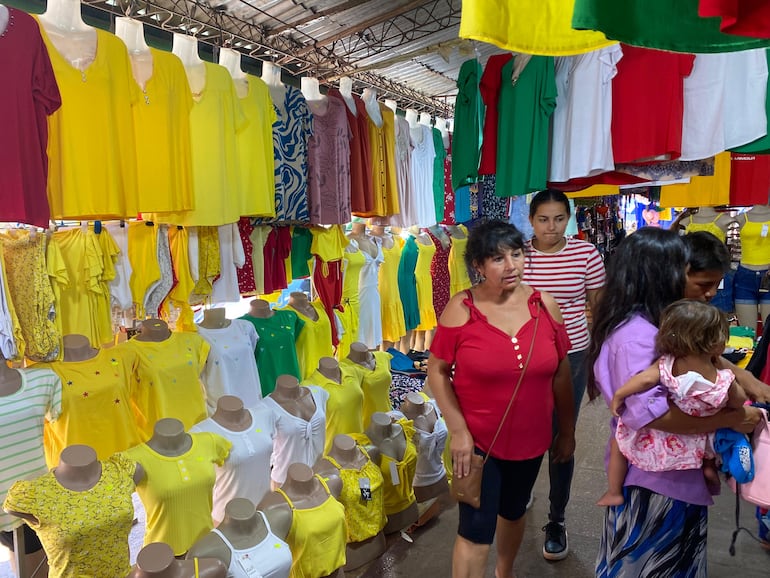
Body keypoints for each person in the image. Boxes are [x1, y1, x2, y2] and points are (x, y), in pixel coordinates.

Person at [588, 227, 764, 577]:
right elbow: (652, 416)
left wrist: (745, 381)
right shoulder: (636, 337)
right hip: (653, 478)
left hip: (675, 473)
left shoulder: (661, 325)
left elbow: (705, 359)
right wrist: (729, 420)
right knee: (648, 564)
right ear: (658, 274)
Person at [427, 220, 576, 578]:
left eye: (516, 254)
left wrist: (567, 431)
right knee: (476, 527)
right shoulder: (462, 308)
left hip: (531, 438)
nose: (511, 265)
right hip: (478, 441)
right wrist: (458, 431)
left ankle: (504, 572)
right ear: (478, 266)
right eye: (497, 258)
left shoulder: (545, 306)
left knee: (514, 510)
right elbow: (437, 371)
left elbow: (562, 373)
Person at [597, 299, 747, 507]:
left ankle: (614, 491)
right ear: (717, 345)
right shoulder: (723, 377)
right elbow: (738, 400)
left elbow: (644, 380)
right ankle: (709, 465)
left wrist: (620, 395)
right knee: (714, 442)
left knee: (618, 441)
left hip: (672, 430)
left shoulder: (667, 364)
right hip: (704, 434)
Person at [523, 188, 605, 560]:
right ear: (531, 220)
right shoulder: (518, 256)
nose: (551, 227)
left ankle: (556, 518)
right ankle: (518, 494)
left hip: (570, 356)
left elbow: (599, 307)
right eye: (543, 219)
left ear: (568, 218)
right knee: (523, 431)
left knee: (562, 434)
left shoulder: (586, 253)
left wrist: (599, 357)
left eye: (559, 219)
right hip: (522, 357)